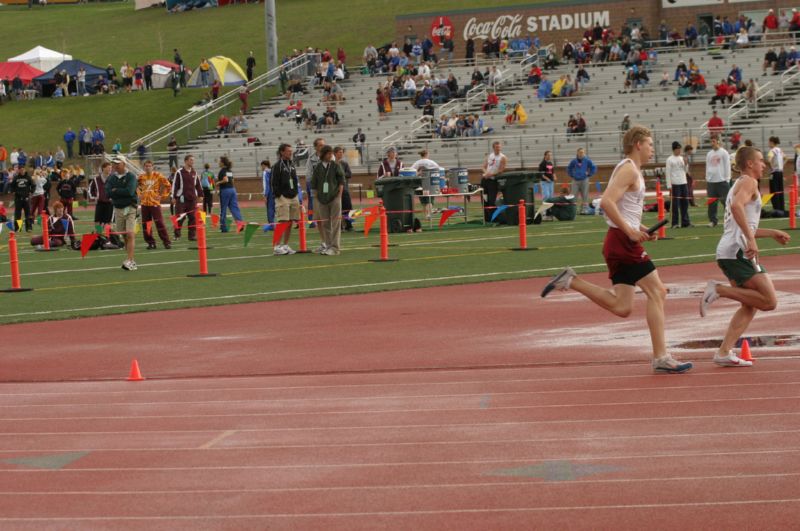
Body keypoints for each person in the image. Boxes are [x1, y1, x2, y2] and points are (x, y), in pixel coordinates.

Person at [542, 126, 693, 374]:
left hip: (618, 241)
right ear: (637, 145)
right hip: (622, 242)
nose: (652, 148)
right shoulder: (628, 169)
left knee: (622, 307)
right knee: (658, 292)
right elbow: (608, 203)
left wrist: (642, 228)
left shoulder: (631, 170)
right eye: (650, 143)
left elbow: (623, 209)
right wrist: (631, 232)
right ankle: (661, 357)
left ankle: (572, 280)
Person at [700, 146, 791, 366]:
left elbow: (744, 225)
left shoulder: (740, 184)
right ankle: (718, 289)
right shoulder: (748, 182)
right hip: (737, 252)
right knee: (769, 301)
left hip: (732, 250)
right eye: (760, 160)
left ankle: (723, 352)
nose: (764, 164)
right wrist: (751, 240)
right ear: (749, 164)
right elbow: (736, 206)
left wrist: (770, 233)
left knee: (749, 305)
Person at [311, 145, 345, 255]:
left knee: (335, 223)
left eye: (332, 153)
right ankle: (328, 245)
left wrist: (339, 195)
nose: (331, 155)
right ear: (323, 154)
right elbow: (314, 184)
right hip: (322, 199)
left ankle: (335, 248)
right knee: (325, 224)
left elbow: (341, 180)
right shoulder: (317, 167)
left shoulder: (335, 165)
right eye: (329, 153)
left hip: (334, 197)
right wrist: (316, 197)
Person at [106, 156, 138, 271]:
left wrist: (116, 190)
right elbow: (108, 192)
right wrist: (117, 191)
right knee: (124, 235)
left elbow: (129, 192)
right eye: (114, 164)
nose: (115, 166)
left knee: (130, 234)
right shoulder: (112, 178)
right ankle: (131, 260)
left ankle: (129, 260)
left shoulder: (131, 176)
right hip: (118, 208)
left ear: (124, 164)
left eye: (117, 164)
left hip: (130, 207)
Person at [271, 143, 300, 255]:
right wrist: (279, 195)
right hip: (282, 197)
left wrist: (296, 193)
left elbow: (295, 179)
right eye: (288, 151)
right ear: (282, 152)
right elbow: (273, 182)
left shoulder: (291, 164)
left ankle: (285, 244)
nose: (290, 152)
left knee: (290, 221)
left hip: (293, 196)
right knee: (282, 221)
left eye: (291, 150)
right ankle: (276, 246)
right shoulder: (277, 166)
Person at [137, 160, 172, 250]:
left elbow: (168, 185)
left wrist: (162, 196)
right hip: (144, 204)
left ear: (152, 167)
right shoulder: (141, 177)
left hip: (155, 203)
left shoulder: (158, 175)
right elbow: (136, 186)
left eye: (149, 166)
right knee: (146, 224)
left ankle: (166, 242)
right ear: (144, 167)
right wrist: (139, 194)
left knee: (159, 222)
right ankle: (151, 243)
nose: (148, 167)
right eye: (146, 166)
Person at [171, 155, 203, 241]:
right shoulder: (179, 172)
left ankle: (192, 236)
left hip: (192, 200)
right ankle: (177, 235)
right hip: (181, 199)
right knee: (180, 217)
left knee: (193, 217)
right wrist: (173, 197)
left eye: (193, 160)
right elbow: (175, 185)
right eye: (191, 160)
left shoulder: (194, 172)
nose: (192, 162)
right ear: (185, 161)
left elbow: (198, 185)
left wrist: (201, 195)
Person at [705, 135, 731, 228]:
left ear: (718, 142)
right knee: (711, 203)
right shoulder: (709, 154)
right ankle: (713, 221)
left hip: (722, 181)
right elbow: (707, 167)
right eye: (711, 141)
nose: (712, 143)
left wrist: (727, 179)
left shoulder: (724, 153)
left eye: (714, 141)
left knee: (726, 202)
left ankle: (729, 220)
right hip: (711, 182)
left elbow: (727, 166)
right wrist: (707, 178)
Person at [411, 149, 444, 220]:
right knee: (430, 200)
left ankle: (426, 215)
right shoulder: (431, 162)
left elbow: (412, 172)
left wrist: (419, 173)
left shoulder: (417, 162)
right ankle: (428, 215)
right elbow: (438, 169)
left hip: (419, 184)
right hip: (430, 183)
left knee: (423, 201)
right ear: (427, 154)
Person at [665, 141, 692, 228]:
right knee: (675, 205)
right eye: (677, 149)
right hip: (675, 184)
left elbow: (686, 171)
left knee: (685, 203)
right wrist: (669, 186)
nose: (679, 150)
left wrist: (686, 164)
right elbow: (667, 173)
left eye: (680, 149)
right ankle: (675, 223)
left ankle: (685, 222)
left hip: (683, 182)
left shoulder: (682, 158)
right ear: (674, 149)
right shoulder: (669, 159)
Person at [481, 141, 507, 222]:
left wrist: (491, 174)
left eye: (499, 147)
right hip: (485, 181)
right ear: (493, 148)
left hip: (493, 181)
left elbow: (501, 170)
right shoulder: (490, 155)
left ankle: (494, 218)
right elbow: (483, 166)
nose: (498, 149)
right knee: (484, 200)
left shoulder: (503, 157)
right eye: (496, 147)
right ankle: (486, 218)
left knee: (492, 201)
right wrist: (485, 173)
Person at [216, 156, 244, 233]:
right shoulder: (229, 170)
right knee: (234, 208)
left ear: (222, 163)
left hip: (225, 191)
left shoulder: (222, 171)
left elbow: (225, 180)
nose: (218, 163)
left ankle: (224, 228)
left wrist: (218, 183)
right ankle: (240, 224)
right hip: (232, 190)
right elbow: (232, 180)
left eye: (219, 161)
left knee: (223, 209)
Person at [567, 148, 597, 214]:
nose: (581, 154)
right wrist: (572, 175)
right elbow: (569, 168)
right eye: (580, 152)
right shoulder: (574, 161)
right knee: (573, 195)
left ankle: (584, 209)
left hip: (584, 180)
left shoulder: (587, 160)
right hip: (575, 180)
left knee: (585, 195)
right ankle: (573, 210)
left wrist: (589, 174)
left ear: (584, 153)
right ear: (577, 153)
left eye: (583, 152)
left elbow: (593, 168)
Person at [88, 161, 115, 233]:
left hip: (110, 204)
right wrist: (95, 197)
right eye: (108, 168)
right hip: (99, 203)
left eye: (111, 168)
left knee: (108, 223)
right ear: (103, 168)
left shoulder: (114, 179)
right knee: (97, 222)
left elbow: (117, 189)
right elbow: (90, 190)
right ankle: (99, 235)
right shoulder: (96, 179)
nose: (110, 169)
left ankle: (108, 238)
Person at [334, 146, 354, 231]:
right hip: (335, 190)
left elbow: (349, 174)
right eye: (339, 152)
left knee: (347, 207)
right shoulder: (332, 164)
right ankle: (339, 226)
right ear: (335, 153)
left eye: (342, 152)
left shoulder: (345, 164)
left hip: (345, 189)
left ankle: (349, 225)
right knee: (337, 208)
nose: (341, 154)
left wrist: (341, 175)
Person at [11, 164, 33, 232]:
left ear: (24, 170)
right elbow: (12, 186)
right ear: (19, 170)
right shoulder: (16, 177)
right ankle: (18, 228)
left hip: (26, 199)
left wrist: (31, 192)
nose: (22, 170)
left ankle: (29, 228)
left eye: (23, 169)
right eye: (20, 169)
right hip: (18, 199)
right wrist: (13, 191)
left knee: (28, 214)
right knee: (18, 214)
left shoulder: (28, 177)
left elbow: (33, 185)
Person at [766, 136, 785, 212]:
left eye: (769, 142)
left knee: (774, 190)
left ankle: (776, 208)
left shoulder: (772, 150)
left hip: (774, 173)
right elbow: (786, 158)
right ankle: (781, 207)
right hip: (780, 172)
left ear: (771, 142)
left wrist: (772, 168)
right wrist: (782, 166)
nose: (768, 144)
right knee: (780, 190)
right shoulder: (780, 150)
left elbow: (769, 160)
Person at [261, 160, 275, 227]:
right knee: (275, 209)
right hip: (275, 191)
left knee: (270, 209)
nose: (261, 168)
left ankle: (271, 225)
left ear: (264, 165)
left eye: (261, 166)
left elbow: (266, 184)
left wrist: (265, 195)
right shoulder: (272, 171)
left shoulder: (265, 172)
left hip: (269, 193)